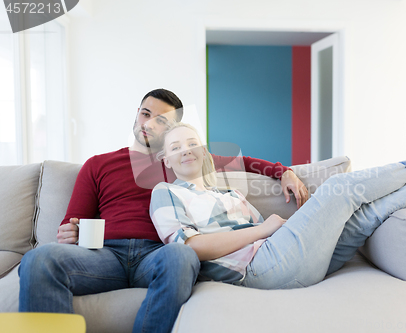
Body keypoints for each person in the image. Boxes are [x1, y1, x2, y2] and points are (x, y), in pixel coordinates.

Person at [18, 88, 308, 333]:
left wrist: (284, 172)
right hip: (104, 256)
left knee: (182, 254)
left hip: (159, 255)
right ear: (136, 114)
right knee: (38, 259)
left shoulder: (180, 158)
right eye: (146, 114)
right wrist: (69, 231)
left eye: (161, 121)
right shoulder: (98, 164)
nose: (149, 124)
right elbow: (72, 222)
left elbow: (244, 161)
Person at [150, 113, 406, 289]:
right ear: (165, 160)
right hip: (258, 271)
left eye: (192, 142)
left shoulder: (229, 192)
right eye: (176, 147)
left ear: (203, 150)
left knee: (367, 216)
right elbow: (190, 248)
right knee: (338, 187)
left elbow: (275, 227)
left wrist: (299, 219)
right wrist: (262, 230)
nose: (186, 150)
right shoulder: (166, 193)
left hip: (289, 255)